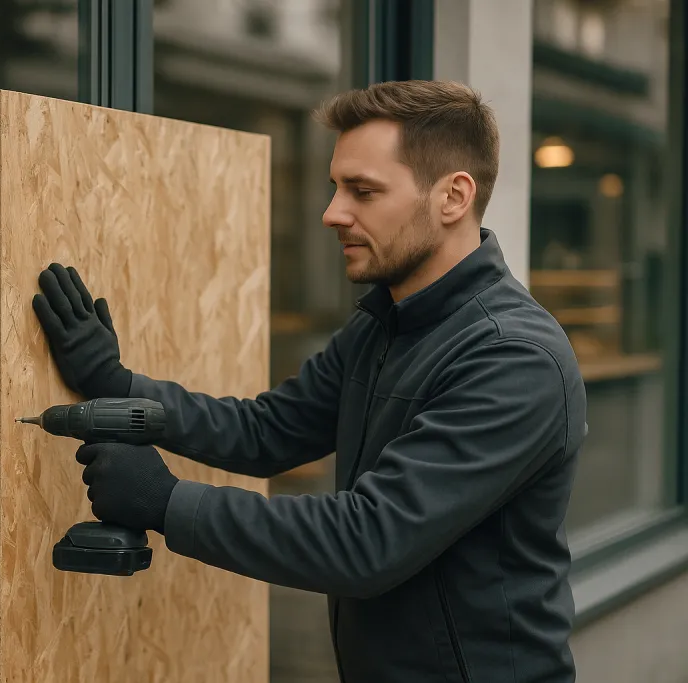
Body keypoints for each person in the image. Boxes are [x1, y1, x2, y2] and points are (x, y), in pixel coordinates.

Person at [32, 80, 587, 683]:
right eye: (336, 187)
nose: (332, 213)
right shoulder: (384, 323)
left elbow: (368, 541)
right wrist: (116, 383)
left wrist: (164, 501)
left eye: (363, 191)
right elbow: (267, 430)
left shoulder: (513, 358)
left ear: (453, 196)